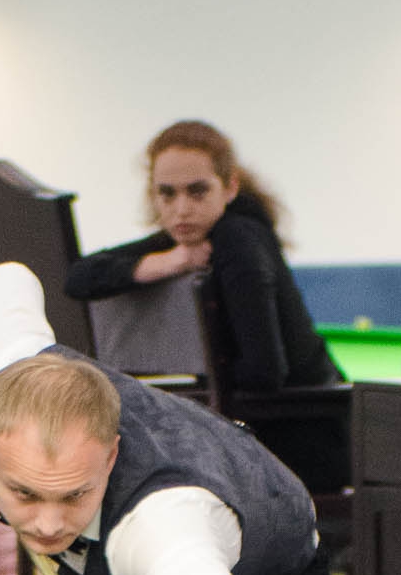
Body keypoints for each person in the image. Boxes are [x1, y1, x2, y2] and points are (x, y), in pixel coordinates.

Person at [0, 261, 324, 575]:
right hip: (101, 560)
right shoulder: (5, 372)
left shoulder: (163, 519)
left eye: (73, 495)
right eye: (25, 493)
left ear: (110, 457)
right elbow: (6, 279)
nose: (48, 525)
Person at [64, 119, 342, 406]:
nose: (182, 209)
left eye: (197, 191)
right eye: (167, 193)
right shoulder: (183, 240)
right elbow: (78, 277)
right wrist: (169, 262)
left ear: (230, 187)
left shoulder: (239, 238)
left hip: (308, 412)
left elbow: (264, 372)